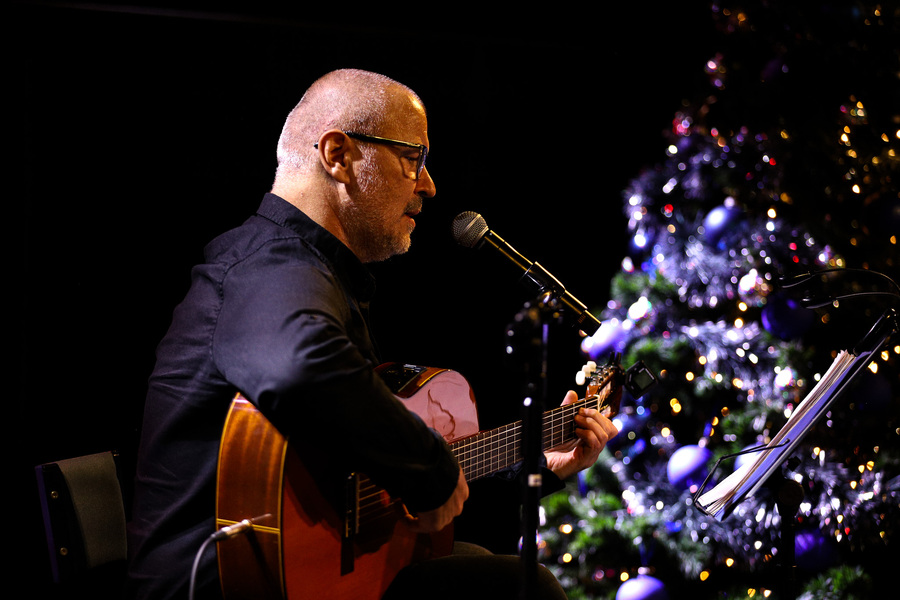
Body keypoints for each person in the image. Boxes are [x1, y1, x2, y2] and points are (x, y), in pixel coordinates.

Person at [125, 68, 619, 600]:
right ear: (338, 155)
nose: (429, 184)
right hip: (223, 586)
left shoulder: (314, 272)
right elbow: (302, 366)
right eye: (414, 158)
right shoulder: (269, 265)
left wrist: (537, 463)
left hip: (295, 576)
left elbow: (364, 473)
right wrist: (428, 469)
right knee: (524, 587)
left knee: (477, 564)